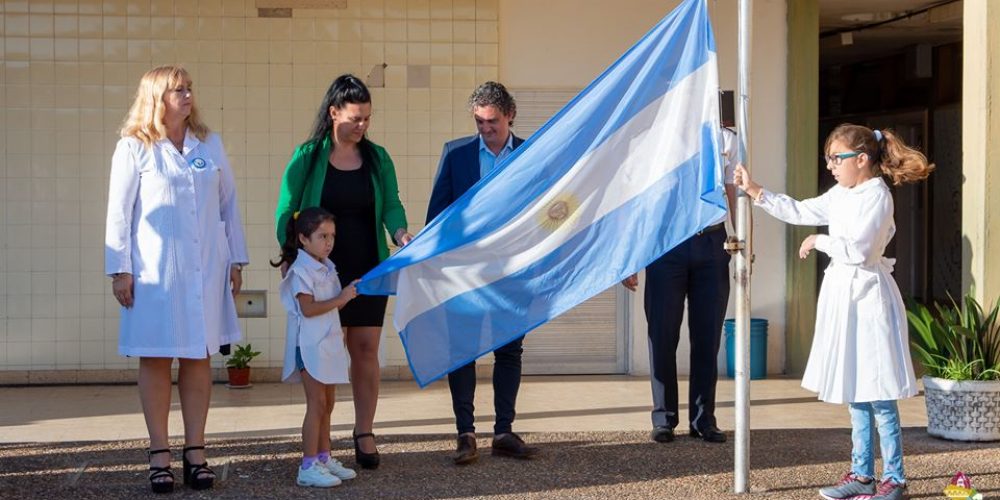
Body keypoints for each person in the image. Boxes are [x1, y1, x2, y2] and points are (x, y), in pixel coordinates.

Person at [733, 124, 933, 500]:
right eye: (828, 158)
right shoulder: (842, 192)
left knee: (879, 390)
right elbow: (802, 209)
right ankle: (861, 474)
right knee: (855, 388)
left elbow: (859, 250)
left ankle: (895, 478)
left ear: (861, 160)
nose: (830, 166)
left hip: (869, 298)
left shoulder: (877, 197)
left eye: (836, 158)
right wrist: (755, 190)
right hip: (843, 298)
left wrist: (818, 239)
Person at [105, 65, 248, 493]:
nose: (188, 96)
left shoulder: (210, 144)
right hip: (154, 274)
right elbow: (118, 212)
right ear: (156, 98)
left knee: (198, 356)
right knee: (155, 356)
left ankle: (196, 453)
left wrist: (236, 261)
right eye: (178, 90)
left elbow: (229, 206)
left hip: (205, 269)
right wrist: (120, 268)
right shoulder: (134, 147)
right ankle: (159, 454)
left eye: (190, 88)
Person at [275, 74, 413, 469]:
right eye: (355, 118)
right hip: (322, 272)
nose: (363, 126)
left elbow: (392, 205)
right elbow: (287, 208)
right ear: (334, 112)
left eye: (368, 118)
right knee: (326, 350)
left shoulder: (378, 158)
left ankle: (364, 430)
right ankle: (321, 445)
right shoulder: (307, 157)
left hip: (367, 267)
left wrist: (400, 232)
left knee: (365, 349)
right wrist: (289, 250)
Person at [426, 81, 539, 465]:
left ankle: (504, 431)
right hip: (465, 273)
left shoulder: (529, 154)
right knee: (463, 351)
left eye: (492, 121)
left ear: (510, 115)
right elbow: (437, 217)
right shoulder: (456, 154)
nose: (485, 128)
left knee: (509, 350)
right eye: (479, 121)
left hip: (513, 272)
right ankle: (466, 433)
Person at [621, 125, 738, 445]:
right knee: (662, 334)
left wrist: (740, 241)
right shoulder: (654, 135)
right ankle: (664, 418)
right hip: (665, 242)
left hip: (712, 242)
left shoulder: (725, 138)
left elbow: (731, 190)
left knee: (707, 337)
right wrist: (630, 256)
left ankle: (703, 419)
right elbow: (637, 200)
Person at [272, 207, 360, 488]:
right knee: (317, 404)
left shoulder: (326, 265)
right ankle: (308, 464)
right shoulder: (300, 270)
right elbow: (308, 309)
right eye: (322, 236)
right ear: (303, 239)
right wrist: (343, 298)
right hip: (309, 346)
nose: (329, 242)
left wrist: (347, 293)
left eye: (332, 235)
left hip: (328, 345)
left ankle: (324, 457)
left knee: (328, 404)